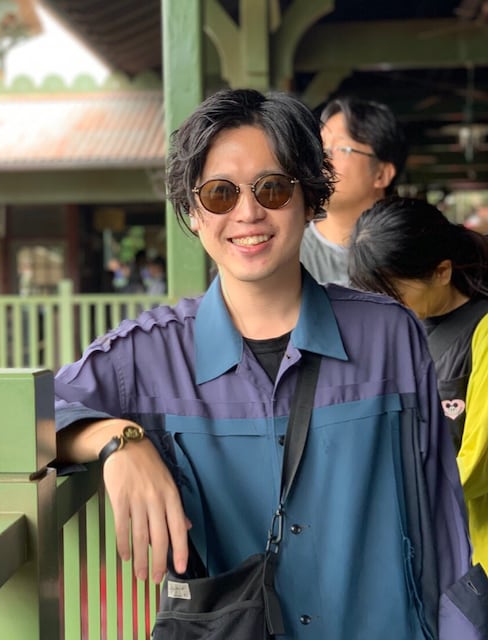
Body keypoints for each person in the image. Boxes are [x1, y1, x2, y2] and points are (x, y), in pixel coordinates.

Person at [54, 88, 485, 639]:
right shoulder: (150, 355)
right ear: (193, 213)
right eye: (220, 193)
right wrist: (118, 440)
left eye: (273, 188)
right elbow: (19, 416)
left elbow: (441, 520)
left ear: (310, 198)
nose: (248, 212)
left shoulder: (389, 335)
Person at [349, 194, 488, 575]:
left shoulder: (482, 330)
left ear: (442, 272)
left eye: (394, 295)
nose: (382, 307)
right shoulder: (394, 332)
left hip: (474, 555)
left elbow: (477, 463)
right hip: (421, 549)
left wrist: (392, 499)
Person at [300, 96, 407, 285]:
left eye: (342, 149)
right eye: (321, 148)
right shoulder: (290, 255)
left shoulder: (410, 254)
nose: (323, 160)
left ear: (381, 174)